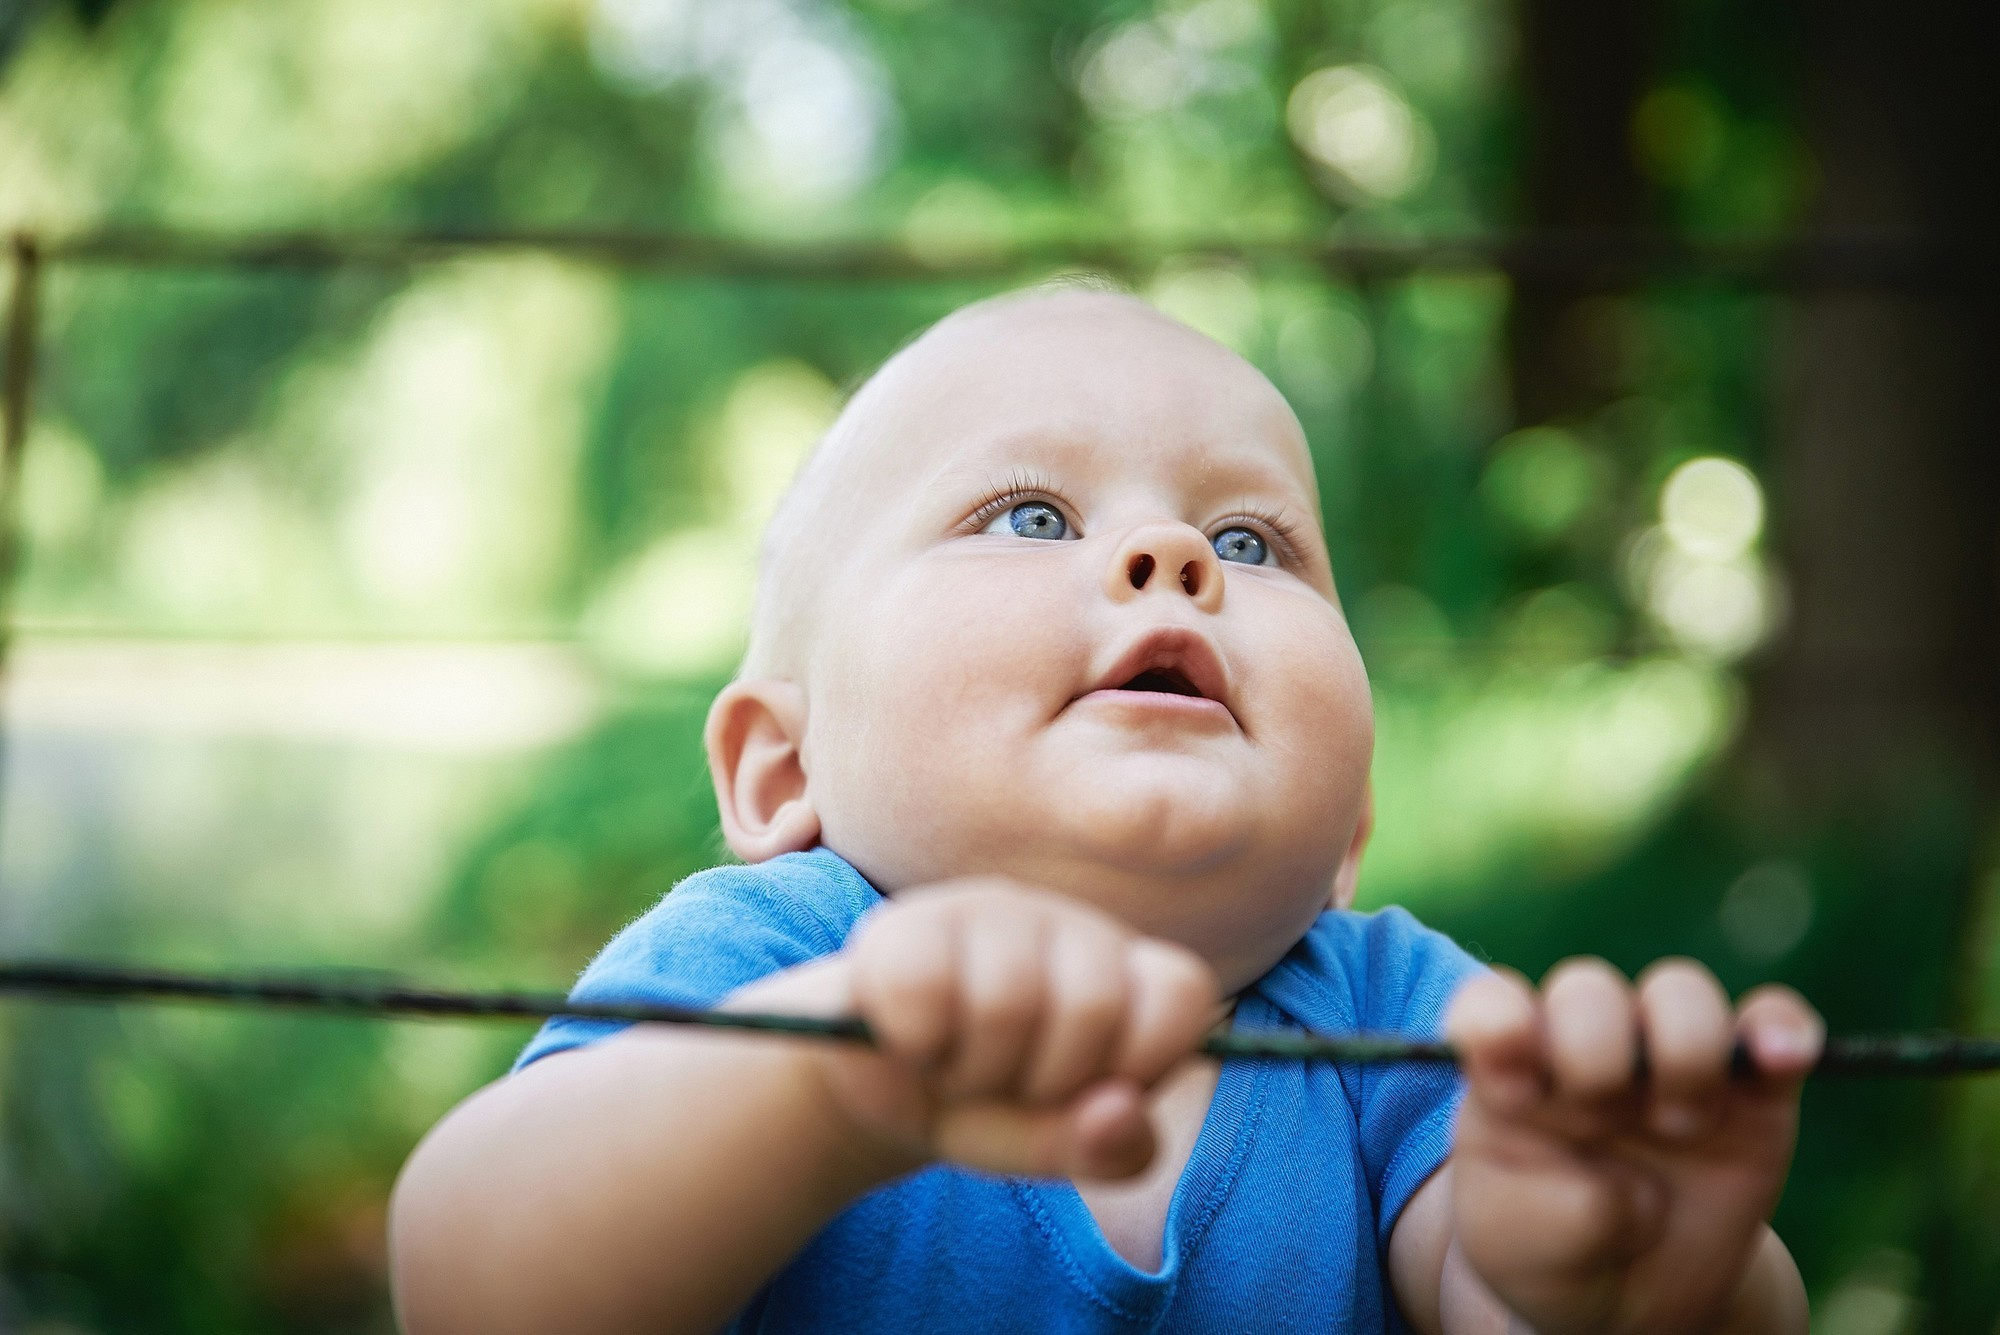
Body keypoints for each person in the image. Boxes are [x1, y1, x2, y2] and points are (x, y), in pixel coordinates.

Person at [390, 286, 1824, 1334]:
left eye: (1253, 540)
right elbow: (470, 1281)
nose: (1172, 554)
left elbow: (1491, 1283)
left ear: (1351, 831)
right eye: (1029, 516)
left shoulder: (1393, 1014)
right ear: (783, 772)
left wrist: (1617, 1266)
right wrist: (819, 1093)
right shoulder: (776, 960)